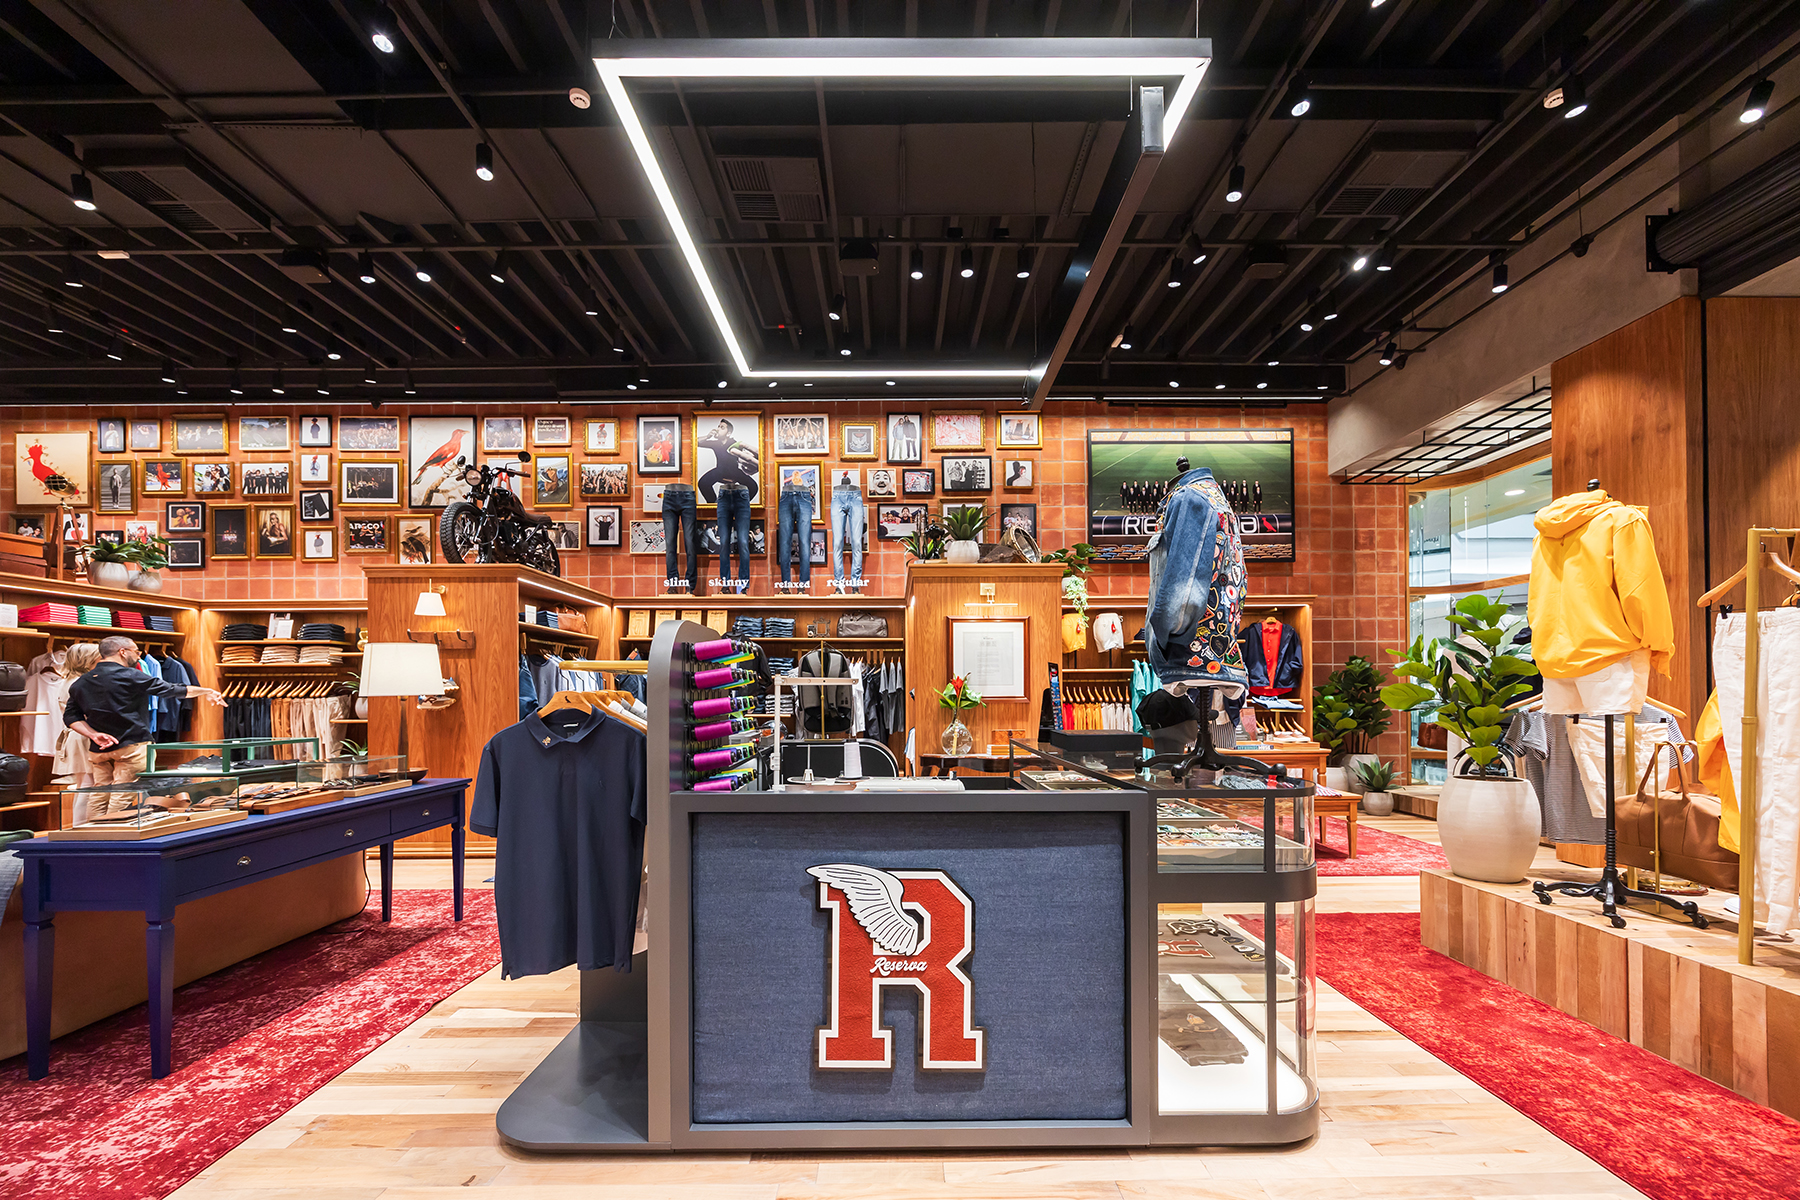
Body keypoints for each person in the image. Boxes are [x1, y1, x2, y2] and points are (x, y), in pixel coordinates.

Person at [64, 636, 225, 817]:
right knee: (122, 794)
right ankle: (115, 832)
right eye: (136, 651)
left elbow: (70, 716)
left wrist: (93, 735)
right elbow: (171, 689)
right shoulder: (130, 675)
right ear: (122, 652)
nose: (139, 656)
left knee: (99, 793)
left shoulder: (82, 682)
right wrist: (206, 691)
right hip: (132, 745)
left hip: (99, 749)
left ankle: (93, 831)